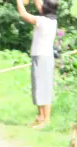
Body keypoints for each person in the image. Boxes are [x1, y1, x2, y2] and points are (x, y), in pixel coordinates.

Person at [17, 0, 59, 128]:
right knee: (38, 87)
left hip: (43, 58)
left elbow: (24, 15)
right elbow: (40, 6)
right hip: (40, 56)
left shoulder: (43, 21)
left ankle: (46, 120)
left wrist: (19, 1)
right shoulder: (50, 19)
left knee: (43, 88)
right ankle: (40, 117)